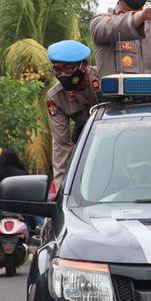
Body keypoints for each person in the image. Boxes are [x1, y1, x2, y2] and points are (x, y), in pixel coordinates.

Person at [44, 41, 100, 193]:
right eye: (57, 70)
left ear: (83, 65)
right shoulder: (55, 97)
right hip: (85, 139)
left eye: (67, 69)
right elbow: (61, 145)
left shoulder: (104, 79)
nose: (61, 75)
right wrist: (62, 191)